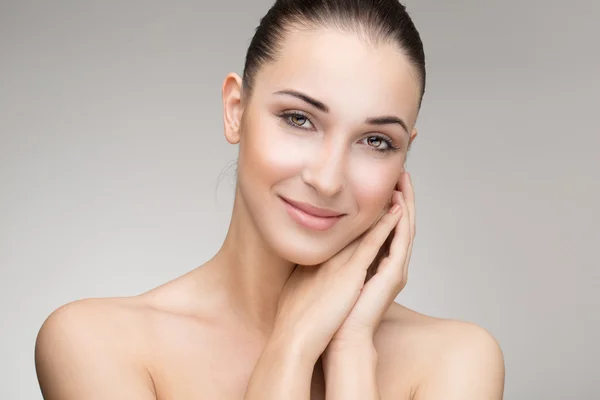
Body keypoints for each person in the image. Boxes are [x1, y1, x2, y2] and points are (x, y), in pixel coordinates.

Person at [34, 0, 505, 398]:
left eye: (376, 141)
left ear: (403, 158)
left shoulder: (457, 360)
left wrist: (351, 350)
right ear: (236, 111)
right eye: (299, 119)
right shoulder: (95, 343)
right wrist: (291, 346)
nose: (327, 178)